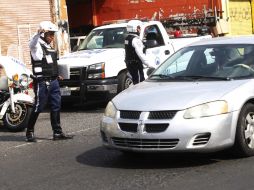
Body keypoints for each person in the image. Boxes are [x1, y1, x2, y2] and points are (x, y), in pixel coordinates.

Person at [26, 21, 72, 142]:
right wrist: (38, 33)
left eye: (53, 35)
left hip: (54, 81)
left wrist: (57, 74)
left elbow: (51, 64)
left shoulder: (49, 47)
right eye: (50, 34)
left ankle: (57, 132)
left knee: (56, 106)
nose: (52, 37)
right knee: (39, 107)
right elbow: (31, 44)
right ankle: (29, 132)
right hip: (42, 82)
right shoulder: (36, 47)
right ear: (43, 34)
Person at [124, 20, 152, 85]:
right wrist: (149, 64)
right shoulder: (135, 40)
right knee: (140, 84)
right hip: (136, 65)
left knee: (135, 82)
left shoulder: (127, 38)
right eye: (139, 27)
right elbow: (140, 54)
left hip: (130, 64)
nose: (140, 29)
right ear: (135, 28)